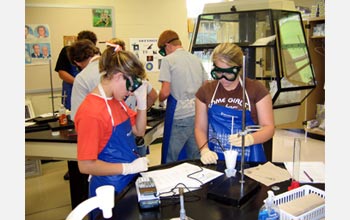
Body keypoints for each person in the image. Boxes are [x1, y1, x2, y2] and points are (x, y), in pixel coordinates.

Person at [74, 48, 149, 220]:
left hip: (127, 183)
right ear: (118, 76)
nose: (130, 92)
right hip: (109, 189)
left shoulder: (116, 102)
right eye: (130, 86)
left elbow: (139, 130)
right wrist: (128, 168)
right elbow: (85, 165)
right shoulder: (91, 112)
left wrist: (142, 103)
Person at [195, 43, 275, 165]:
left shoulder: (256, 90)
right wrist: (204, 150)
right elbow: (200, 128)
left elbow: (269, 128)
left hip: (249, 157)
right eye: (218, 72)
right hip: (216, 157)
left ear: (239, 68)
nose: (223, 79)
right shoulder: (206, 91)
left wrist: (250, 139)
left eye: (228, 73)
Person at [70, 38, 158, 121]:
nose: (129, 93)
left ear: (77, 62)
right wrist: (137, 115)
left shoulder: (82, 78)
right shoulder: (123, 65)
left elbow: (77, 117)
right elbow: (152, 95)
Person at [157, 29, 208, 164]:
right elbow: (206, 86)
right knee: (195, 157)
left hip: (179, 115)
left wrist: (158, 100)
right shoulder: (195, 59)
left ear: (167, 46)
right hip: (198, 113)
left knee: (170, 157)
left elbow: (165, 92)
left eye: (163, 51)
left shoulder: (168, 61)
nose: (164, 54)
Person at [55, 30, 97, 111]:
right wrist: (79, 82)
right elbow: (62, 73)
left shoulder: (96, 54)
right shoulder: (67, 51)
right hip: (71, 88)